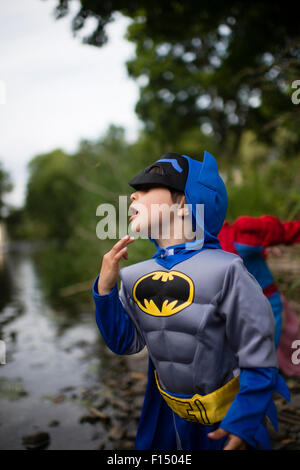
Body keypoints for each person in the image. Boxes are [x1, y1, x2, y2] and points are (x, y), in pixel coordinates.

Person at [92, 152, 290, 450]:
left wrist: (245, 417)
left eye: (146, 188)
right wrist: (105, 290)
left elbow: (258, 352)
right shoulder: (133, 275)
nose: (133, 196)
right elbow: (125, 343)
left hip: (221, 416)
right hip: (163, 413)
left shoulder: (227, 269)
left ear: (184, 203)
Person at [218, 216, 300, 377]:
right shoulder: (239, 233)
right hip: (265, 299)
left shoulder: (206, 243)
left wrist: (262, 250)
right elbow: (282, 232)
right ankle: (264, 377)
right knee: (270, 343)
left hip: (235, 303)